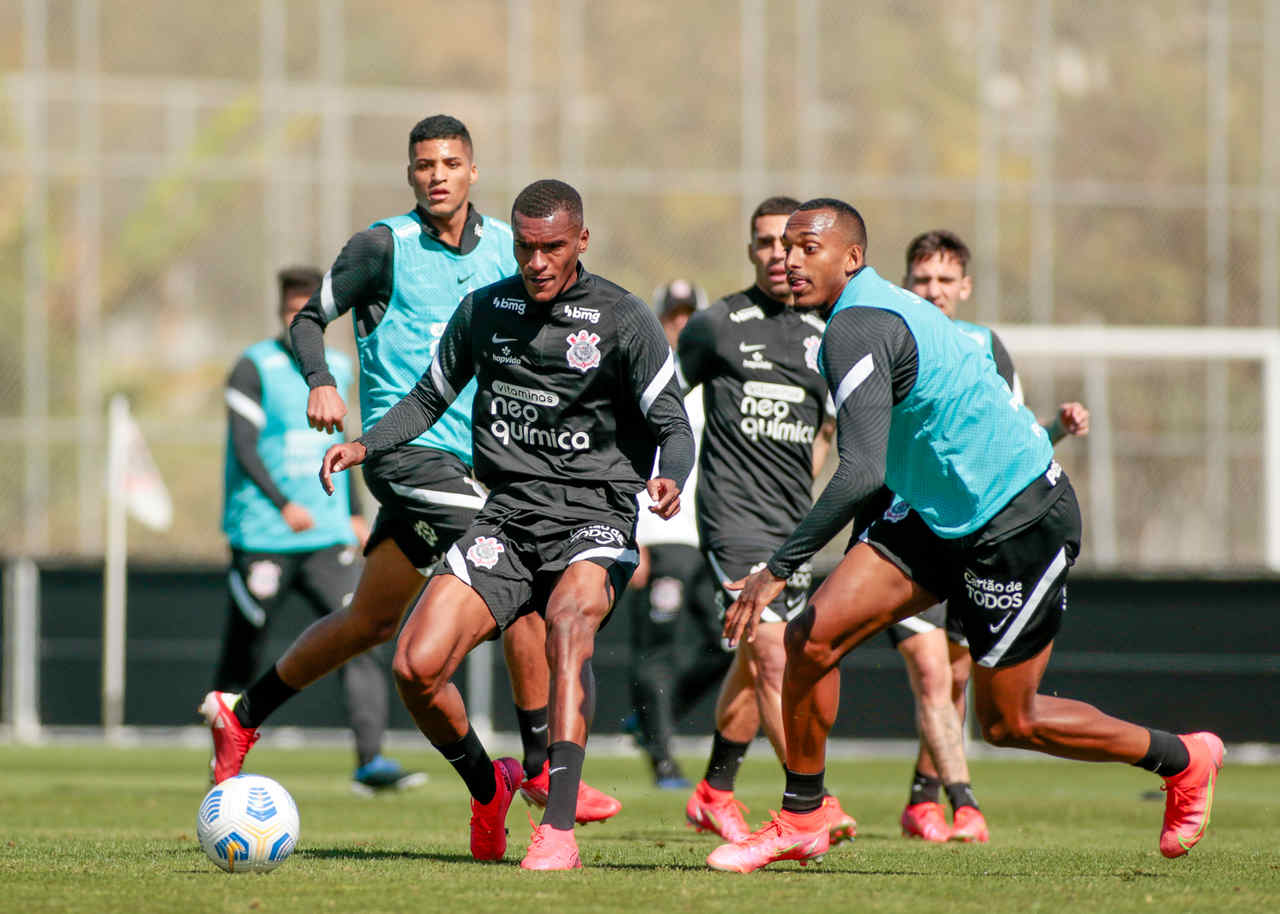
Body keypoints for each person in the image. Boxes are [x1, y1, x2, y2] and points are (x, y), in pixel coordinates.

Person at [707, 198, 1223, 873]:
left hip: (1018, 516)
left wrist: (779, 565)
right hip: (934, 511)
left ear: (853, 259)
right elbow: (882, 462)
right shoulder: (867, 312)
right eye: (784, 247)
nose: (790, 259)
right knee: (809, 639)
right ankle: (805, 815)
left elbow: (859, 469)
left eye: (809, 247)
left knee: (1011, 722)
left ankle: (1184, 759)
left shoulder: (857, 325)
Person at [199, 116, 619, 825]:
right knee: (519, 579)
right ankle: (544, 768)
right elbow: (309, 318)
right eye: (425, 164)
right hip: (403, 455)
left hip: (486, 465)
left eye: (451, 162)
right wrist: (319, 380)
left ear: (473, 171)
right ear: (410, 173)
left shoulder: (505, 255)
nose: (438, 175)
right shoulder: (381, 247)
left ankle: (243, 716)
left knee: (368, 619)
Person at [318, 179, 694, 870]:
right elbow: (429, 396)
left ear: (581, 240)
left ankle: (557, 831)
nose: (538, 261)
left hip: (596, 517)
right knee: (415, 666)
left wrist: (671, 472)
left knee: (567, 626)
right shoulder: (487, 310)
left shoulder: (622, 317)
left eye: (553, 247)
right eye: (526, 247)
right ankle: (489, 787)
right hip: (510, 517)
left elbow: (672, 420)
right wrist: (367, 443)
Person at [890, 229, 1091, 843]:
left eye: (945, 281)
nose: (934, 291)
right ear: (907, 284)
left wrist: (1054, 428)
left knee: (954, 676)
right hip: (907, 536)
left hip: (977, 538)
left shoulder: (984, 347)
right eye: (923, 280)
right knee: (929, 671)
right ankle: (963, 800)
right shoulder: (890, 340)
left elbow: (1012, 442)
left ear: (964, 287)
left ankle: (922, 800)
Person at [677, 196, 854, 847]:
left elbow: (834, 424)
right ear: (751, 251)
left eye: (792, 243)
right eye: (765, 243)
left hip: (793, 528)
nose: (779, 255)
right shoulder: (717, 324)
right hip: (733, 522)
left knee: (757, 663)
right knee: (775, 655)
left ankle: (714, 790)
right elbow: (663, 401)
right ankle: (814, 800)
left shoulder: (829, 333)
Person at [215, 266, 422, 794]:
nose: (297, 318)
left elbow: (343, 439)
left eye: (306, 309)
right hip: (263, 535)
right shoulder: (252, 368)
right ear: (282, 311)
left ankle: (370, 761)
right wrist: (283, 504)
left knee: (362, 632)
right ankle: (226, 750)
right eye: (291, 310)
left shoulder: (340, 372)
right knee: (247, 647)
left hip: (327, 537)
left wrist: (354, 509)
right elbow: (243, 446)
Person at [621, 279, 727, 789]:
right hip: (658, 538)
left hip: (705, 540)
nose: (682, 323)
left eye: (690, 314)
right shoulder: (642, 377)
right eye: (674, 314)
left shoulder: (710, 382)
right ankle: (663, 760)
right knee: (657, 651)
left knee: (727, 644)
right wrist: (630, 535)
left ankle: (651, 719)